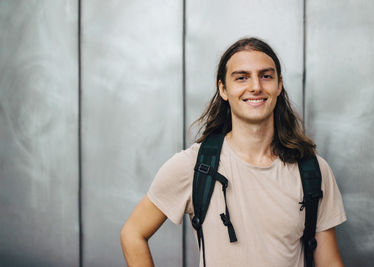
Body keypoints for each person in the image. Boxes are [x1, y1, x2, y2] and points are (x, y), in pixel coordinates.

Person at [120, 37, 347, 267]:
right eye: (242, 78)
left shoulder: (312, 170)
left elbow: (329, 262)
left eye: (266, 76)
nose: (256, 86)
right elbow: (133, 233)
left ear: (279, 85)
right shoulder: (194, 165)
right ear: (223, 89)